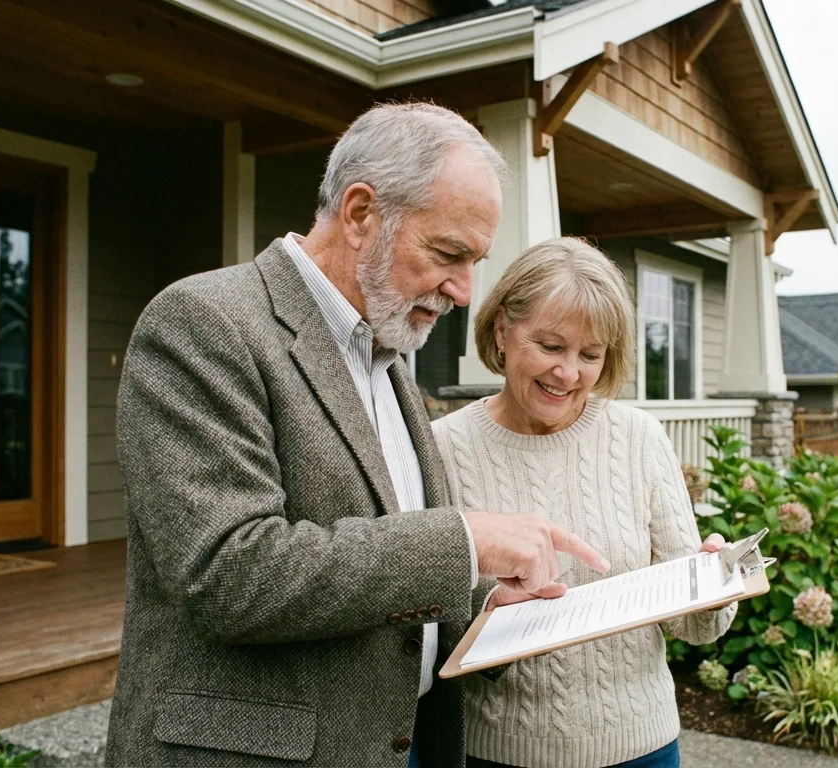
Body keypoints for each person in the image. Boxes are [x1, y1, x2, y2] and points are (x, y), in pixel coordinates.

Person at [104, 104, 608, 768]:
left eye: (476, 260)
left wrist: (490, 608)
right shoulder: (204, 323)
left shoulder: (389, 357)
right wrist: (464, 539)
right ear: (361, 213)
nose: (464, 290)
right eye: (448, 254)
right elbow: (230, 573)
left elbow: (382, 559)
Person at [431, 238, 737, 768]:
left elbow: (692, 626)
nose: (568, 374)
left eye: (589, 355)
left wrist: (713, 589)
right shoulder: (442, 448)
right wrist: (490, 615)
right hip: (498, 754)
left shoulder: (639, 438)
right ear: (502, 330)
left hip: (642, 748)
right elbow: (417, 623)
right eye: (550, 347)